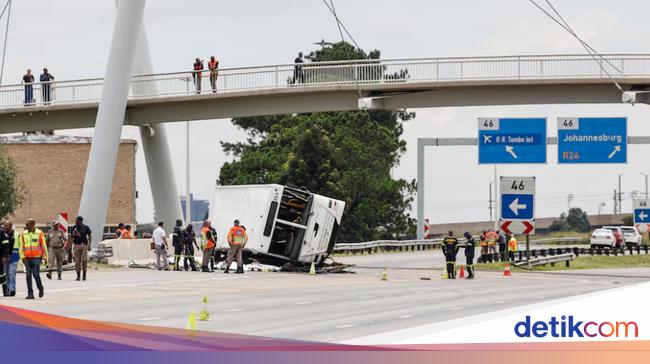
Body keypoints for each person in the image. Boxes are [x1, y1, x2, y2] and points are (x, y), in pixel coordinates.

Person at [19, 219, 48, 299]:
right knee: (28, 276)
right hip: (27, 258)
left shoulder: (39, 233)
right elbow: (21, 247)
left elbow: (44, 246)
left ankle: (40, 288)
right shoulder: (23, 234)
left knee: (36, 275)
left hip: (37, 258)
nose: (26, 227)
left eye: (28, 225)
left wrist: (45, 258)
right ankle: (30, 294)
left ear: (33, 225)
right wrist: (23, 257)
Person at [70, 215, 91, 281]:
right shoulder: (74, 227)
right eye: (76, 221)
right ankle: (78, 276)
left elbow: (89, 235)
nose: (76, 222)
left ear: (81, 221)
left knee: (84, 260)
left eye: (77, 221)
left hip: (84, 245)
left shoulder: (86, 227)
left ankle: (84, 275)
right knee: (77, 261)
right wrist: (75, 235)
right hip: (76, 245)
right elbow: (71, 236)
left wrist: (89, 244)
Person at [5, 223, 18, 296]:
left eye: (6, 225)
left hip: (14, 256)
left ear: (10, 226)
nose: (4, 227)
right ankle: (7, 290)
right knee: (6, 274)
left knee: (11, 273)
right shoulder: (2, 234)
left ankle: (12, 289)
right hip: (5, 257)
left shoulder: (17, 234)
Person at [0, 222, 11, 295]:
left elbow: (6, 244)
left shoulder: (1, 232)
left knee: (2, 274)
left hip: (0, 256)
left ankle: (5, 291)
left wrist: (5, 255)